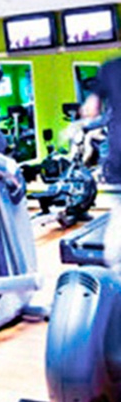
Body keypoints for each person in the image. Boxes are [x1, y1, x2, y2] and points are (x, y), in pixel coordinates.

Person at [81, 56, 121, 272]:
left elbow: (91, 107)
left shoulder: (110, 68)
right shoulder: (111, 68)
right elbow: (92, 107)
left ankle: (116, 271)